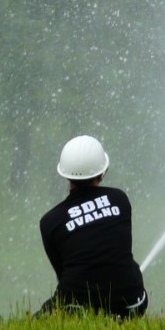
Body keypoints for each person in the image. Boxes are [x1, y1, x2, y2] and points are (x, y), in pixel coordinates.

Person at [35, 135, 148, 318]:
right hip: (132, 305)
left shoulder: (50, 222)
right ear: (102, 172)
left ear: (65, 174)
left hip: (77, 310)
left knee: (34, 324)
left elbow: (63, 273)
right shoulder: (119, 199)